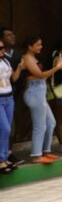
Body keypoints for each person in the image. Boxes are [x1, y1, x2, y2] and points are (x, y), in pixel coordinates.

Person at [20, 35, 62, 163]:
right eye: (38, 45)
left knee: (51, 123)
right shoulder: (27, 58)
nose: (41, 47)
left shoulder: (33, 58)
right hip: (34, 92)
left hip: (40, 91)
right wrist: (57, 67)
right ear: (30, 46)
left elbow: (40, 76)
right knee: (40, 125)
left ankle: (45, 151)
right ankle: (36, 155)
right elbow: (39, 75)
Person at [0, 33, 25, 173]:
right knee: (4, 129)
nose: (3, 50)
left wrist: (20, 67)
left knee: (6, 130)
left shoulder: (6, 62)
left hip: (9, 98)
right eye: (0, 48)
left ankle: (4, 159)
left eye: (3, 48)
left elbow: (13, 78)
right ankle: (1, 159)